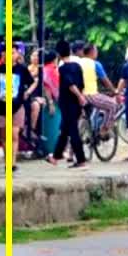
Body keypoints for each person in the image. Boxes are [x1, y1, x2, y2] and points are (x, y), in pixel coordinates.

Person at [47, 40, 88, 168]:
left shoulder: (63, 69)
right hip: (75, 104)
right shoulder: (77, 66)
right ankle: (55, 156)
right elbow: (81, 84)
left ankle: (81, 159)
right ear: (70, 51)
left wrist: (79, 96)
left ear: (58, 54)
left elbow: (71, 85)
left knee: (73, 131)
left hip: (68, 102)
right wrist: (81, 98)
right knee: (64, 130)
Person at [0, 48, 28, 170]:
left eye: (13, 52)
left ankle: (13, 163)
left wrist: (27, 93)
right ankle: (7, 161)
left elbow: (33, 81)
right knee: (4, 136)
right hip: (2, 107)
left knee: (14, 134)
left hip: (17, 106)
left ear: (17, 54)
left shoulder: (22, 69)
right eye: (7, 52)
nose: (10, 55)